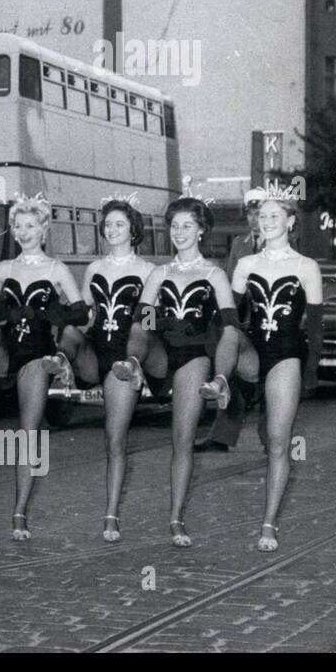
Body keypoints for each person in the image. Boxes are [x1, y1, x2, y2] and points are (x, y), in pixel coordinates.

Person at [0, 194, 85, 540]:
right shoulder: (4, 269)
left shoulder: (55, 269)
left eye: (31, 226)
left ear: (43, 230)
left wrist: (43, 314)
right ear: (12, 231)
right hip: (3, 350)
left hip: (34, 356)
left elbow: (80, 312)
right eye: (18, 226)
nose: (24, 231)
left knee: (27, 431)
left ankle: (19, 511)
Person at [200, 193, 322, 551]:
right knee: (229, 330)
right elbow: (229, 315)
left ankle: (268, 524)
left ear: (290, 222)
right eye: (261, 216)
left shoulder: (306, 267)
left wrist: (310, 374)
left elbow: (313, 329)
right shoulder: (246, 263)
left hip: (286, 355)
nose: (266, 222)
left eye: (274, 216)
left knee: (278, 442)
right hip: (253, 349)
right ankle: (220, 381)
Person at [126, 196, 239, 548]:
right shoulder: (159, 273)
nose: (179, 232)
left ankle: (176, 517)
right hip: (161, 349)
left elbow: (230, 326)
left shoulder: (214, 274)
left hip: (194, 355)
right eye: (174, 226)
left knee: (182, 438)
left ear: (201, 230)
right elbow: (143, 319)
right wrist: (159, 320)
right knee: (138, 331)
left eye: (187, 225)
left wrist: (220, 367)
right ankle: (131, 364)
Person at [52, 197, 156, 542]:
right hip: (96, 349)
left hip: (125, 356)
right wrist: (67, 318)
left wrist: (142, 348)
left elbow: (149, 320)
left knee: (114, 439)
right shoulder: (95, 268)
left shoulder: (147, 271)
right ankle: (62, 363)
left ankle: (111, 514)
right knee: (68, 333)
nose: (112, 230)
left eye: (119, 225)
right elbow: (87, 315)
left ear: (133, 230)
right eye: (108, 225)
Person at [196, 188, 268, 452]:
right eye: (250, 214)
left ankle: (271, 439)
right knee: (231, 373)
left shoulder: (282, 242)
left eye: (259, 214)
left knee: (270, 378)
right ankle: (221, 437)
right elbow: (229, 281)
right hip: (243, 319)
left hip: (270, 320)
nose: (254, 219)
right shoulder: (239, 243)